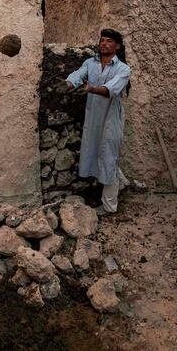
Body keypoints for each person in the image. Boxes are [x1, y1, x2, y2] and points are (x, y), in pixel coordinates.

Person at [65, 29, 131, 215]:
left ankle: (109, 207)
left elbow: (112, 89)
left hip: (111, 118)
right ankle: (122, 182)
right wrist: (68, 84)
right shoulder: (90, 63)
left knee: (109, 156)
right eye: (102, 40)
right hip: (93, 116)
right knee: (97, 153)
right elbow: (77, 75)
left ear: (117, 46)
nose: (104, 44)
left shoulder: (123, 69)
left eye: (109, 41)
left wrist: (92, 88)